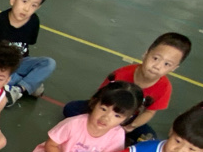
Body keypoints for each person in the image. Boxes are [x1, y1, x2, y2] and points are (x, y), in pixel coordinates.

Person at [15, 81, 142, 152]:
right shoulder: (74, 123)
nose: (106, 118)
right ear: (94, 103)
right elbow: (50, 145)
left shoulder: (117, 134)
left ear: (126, 119)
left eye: (117, 115)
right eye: (103, 109)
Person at [62, 33, 192, 144]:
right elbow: (99, 99)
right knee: (71, 108)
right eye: (155, 58)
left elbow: (150, 112)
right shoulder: (120, 74)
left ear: (174, 68)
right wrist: (99, 118)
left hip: (129, 119)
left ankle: (114, 136)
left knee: (149, 138)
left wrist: (131, 126)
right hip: (106, 112)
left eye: (167, 64)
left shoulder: (164, 88)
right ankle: (110, 135)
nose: (157, 66)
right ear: (146, 54)